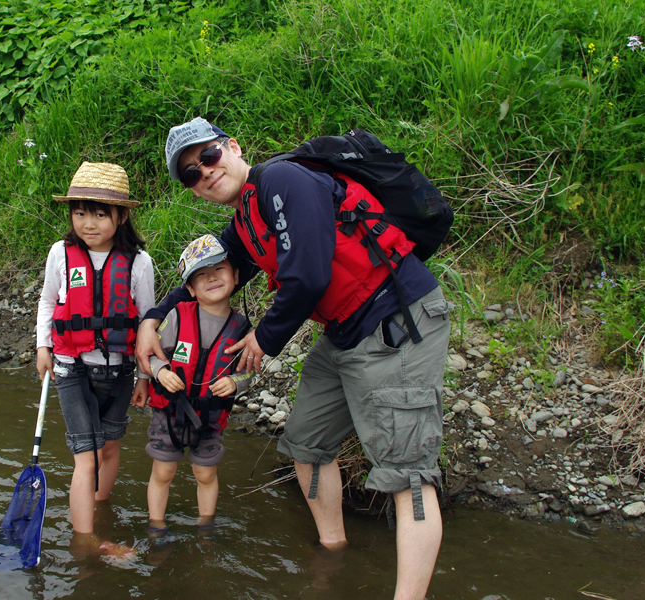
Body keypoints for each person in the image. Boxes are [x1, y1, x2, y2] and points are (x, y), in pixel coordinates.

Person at [136, 117, 451, 600]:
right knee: (306, 445)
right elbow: (207, 272)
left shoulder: (281, 180)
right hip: (345, 330)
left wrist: (265, 337)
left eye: (210, 157)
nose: (206, 173)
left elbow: (307, 274)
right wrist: (153, 319)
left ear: (233, 147)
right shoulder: (245, 219)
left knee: (408, 473)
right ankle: (333, 550)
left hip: (396, 318)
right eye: (192, 174)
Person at [35, 161, 154, 556]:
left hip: (119, 372)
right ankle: (88, 540)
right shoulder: (61, 254)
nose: (88, 223)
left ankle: (99, 509)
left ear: (120, 217)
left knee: (109, 448)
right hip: (71, 369)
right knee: (85, 456)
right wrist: (42, 347)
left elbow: (147, 325)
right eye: (80, 212)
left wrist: (144, 377)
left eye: (100, 214)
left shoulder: (139, 263)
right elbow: (48, 302)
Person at [139, 234, 252, 538]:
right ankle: (157, 524)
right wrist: (161, 373)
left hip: (211, 418)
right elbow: (149, 357)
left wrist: (235, 382)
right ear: (189, 288)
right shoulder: (176, 316)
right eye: (200, 275)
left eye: (219, 269)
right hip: (169, 412)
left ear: (236, 275)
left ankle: (206, 525)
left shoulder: (242, 329)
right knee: (163, 471)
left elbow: (248, 373)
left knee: (206, 473)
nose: (212, 277)